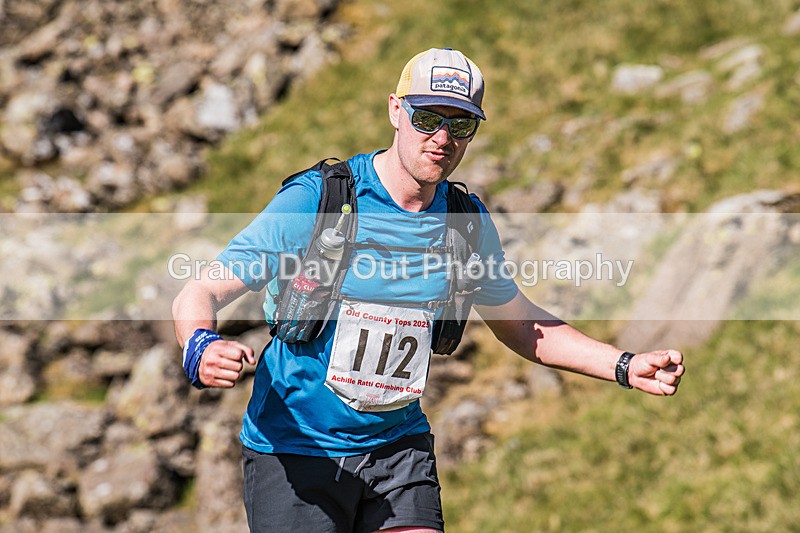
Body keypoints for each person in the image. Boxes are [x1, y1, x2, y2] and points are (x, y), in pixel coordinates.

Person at [172, 48, 685, 533]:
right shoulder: (319, 200)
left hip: (398, 451)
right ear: (396, 110)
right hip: (296, 449)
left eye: (460, 124)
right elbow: (200, 293)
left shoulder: (464, 223)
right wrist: (200, 346)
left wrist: (623, 365)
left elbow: (520, 323)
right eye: (427, 118)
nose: (442, 137)